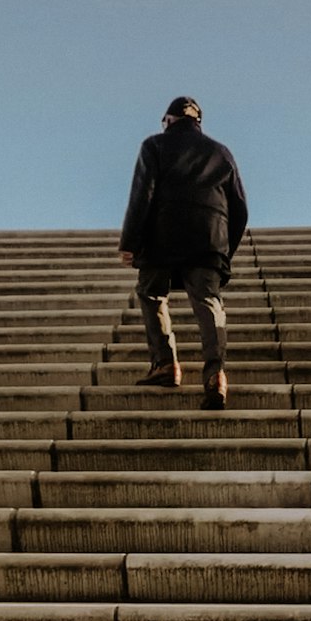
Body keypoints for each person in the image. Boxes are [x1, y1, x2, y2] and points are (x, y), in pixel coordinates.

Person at [119, 96, 248, 410]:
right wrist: (222, 251)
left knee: (151, 293)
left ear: (169, 119)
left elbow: (142, 194)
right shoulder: (222, 152)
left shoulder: (155, 145)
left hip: (162, 236)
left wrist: (130, 242)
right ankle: (216, 374)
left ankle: (165, 364)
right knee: (207, 302)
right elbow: (240, 210)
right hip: (208, 239)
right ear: (198, 122)